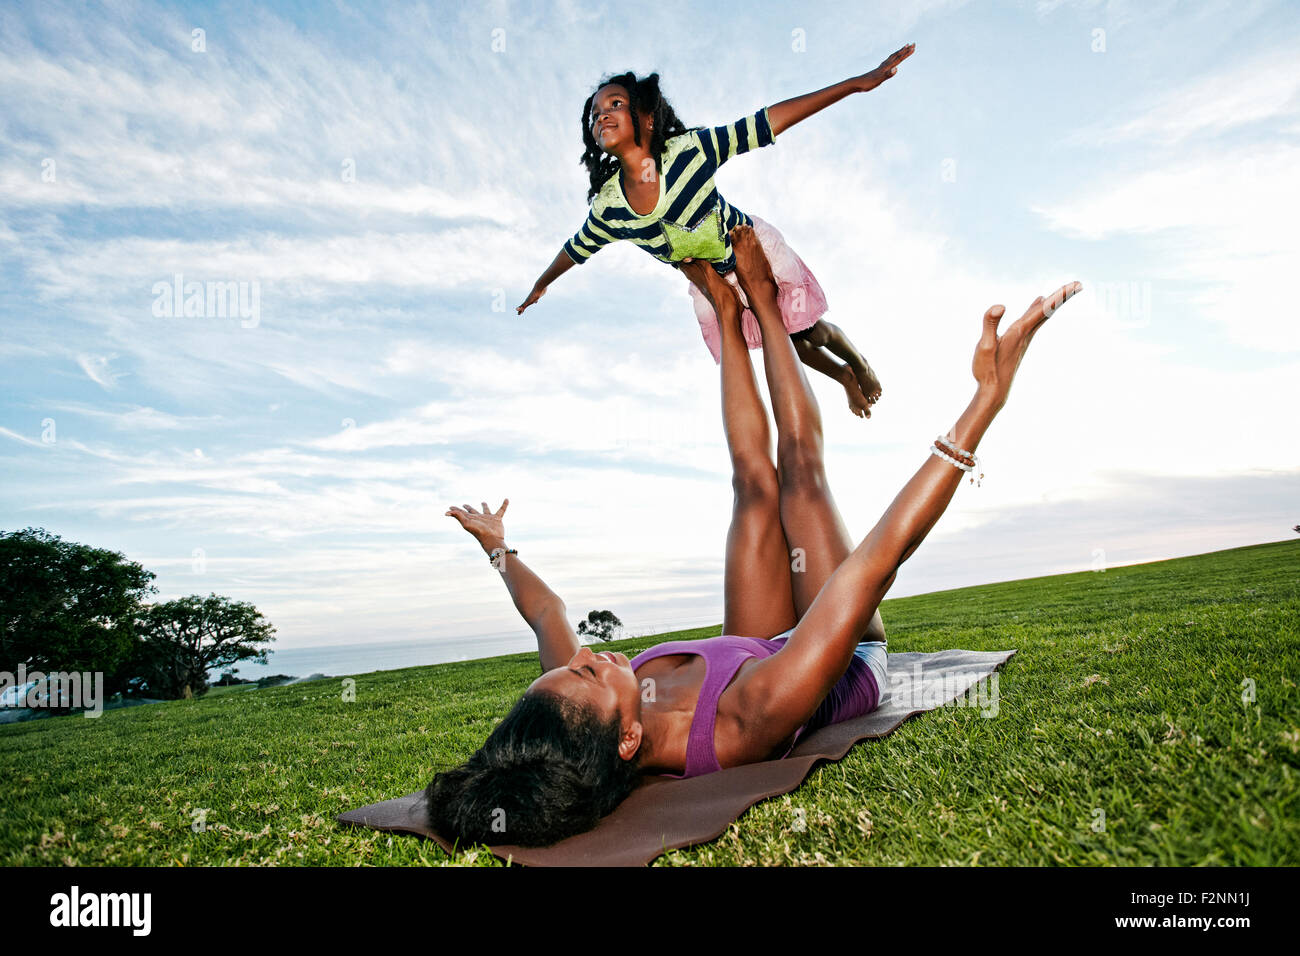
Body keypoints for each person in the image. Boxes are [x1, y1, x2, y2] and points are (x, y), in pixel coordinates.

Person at [434, 223, 1081, 848]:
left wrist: (497, 546)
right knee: (798, 472)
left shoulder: (580, 712)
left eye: (568, 667)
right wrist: (983, 406)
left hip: (758, 642)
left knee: (753, 488)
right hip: (842, 654)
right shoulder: (747, 722)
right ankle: (763, 304)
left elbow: (546, 612)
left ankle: (724, 303)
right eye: (586, 673)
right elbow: (872, 566)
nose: (586, 657)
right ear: (627, 742)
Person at [515, 46, 918, 418]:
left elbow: (764, 123)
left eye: (615, 104)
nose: (602, 114)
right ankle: (844, 377)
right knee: (787, 342)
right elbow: (576, 248)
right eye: (595, 112)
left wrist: (854, 84)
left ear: (648, 118)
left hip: (752, 252)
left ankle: (857, 360)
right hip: (714, 283)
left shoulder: (689, 151)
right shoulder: (609, 207)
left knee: (808, 328)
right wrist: (541, 283)